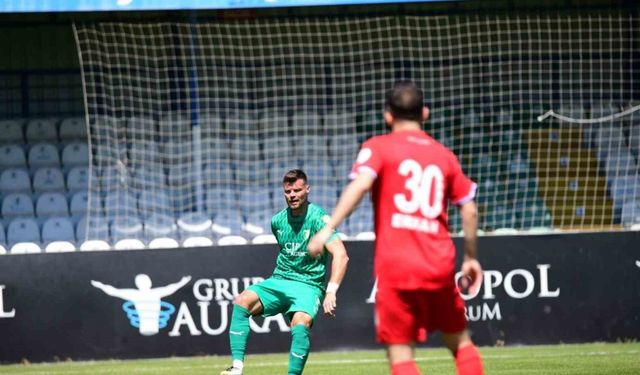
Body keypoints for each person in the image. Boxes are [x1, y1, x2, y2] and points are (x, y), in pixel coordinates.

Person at [308, 80, 484, 375]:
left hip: (397, 267)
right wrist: (470, 257)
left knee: (401, 354)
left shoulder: (378, 147)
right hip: (438, 264)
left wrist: (328, 230)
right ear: (425, 113)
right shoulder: (444, 155)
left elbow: (361, 184)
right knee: (461, 344)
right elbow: (468, 208)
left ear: (387, 115)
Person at [221, 169, 349, 375]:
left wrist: (331, 291)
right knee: (241, 301)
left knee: (300, 323)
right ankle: (236, 368)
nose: (293, 195)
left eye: (297, 190)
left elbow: (341, 256)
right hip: (280, 280)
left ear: (307, 190)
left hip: (308, 285)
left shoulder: (319, 219)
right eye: (288, 191)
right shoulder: (277, 221)